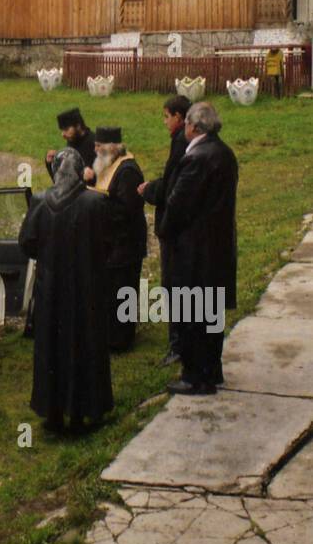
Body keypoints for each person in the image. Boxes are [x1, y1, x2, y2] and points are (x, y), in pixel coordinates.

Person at [20, 147, 114, 432]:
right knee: (86, 344)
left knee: (51, 348)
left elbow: (27, 243)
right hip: (87, 288)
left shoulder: (39, 202)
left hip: (51, 290)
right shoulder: (94, 203)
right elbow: (108, 244)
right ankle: (86, 409)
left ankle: (53, 411)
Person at [158, 102, 238, 396]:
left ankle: (195, 377)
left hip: (195, 251)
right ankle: (212, 370)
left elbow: (177, 204)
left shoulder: (197, 158)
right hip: (218, 246)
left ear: (193, 126)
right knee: (211, 316)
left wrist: (165, 230)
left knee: (192, 316)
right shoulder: (225, 153)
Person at [138, 94, 191, 366]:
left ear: (179, 118)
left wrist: (149, 190)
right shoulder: (182, 141)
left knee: (174, 285)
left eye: (166, 116)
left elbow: (173, 187)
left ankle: (177, 344)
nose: (164, 121)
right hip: (180, 229)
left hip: (174, 229)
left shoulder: (182, 142)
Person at [83, 127, 147, 352]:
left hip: (126, 243)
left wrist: (95, 201)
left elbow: (126, 209)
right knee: (110, 292)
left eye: (99, 145)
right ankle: (110, 336)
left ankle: (122, 340)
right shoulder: (108, 164)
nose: (95, 149)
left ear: (112, 147)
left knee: (123, 291)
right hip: (111, 243)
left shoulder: (127, 170)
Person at [45, 108, 96, 182]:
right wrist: (51, 164)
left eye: (66, 129)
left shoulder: (95, 145)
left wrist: (91, 177)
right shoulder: (72, 141)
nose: (62, 134)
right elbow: (61, 184)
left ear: (78, 126)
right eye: (62, 130)